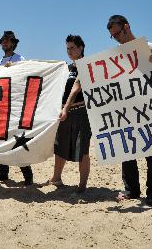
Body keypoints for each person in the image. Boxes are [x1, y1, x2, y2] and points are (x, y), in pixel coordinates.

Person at [61, 15, 152, 205]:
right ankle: (132, 190)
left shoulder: (149, 48)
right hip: (124, 108)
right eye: (112, 35)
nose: (116, 37)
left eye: (117, 33)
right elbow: (93, 82)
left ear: (127, 26)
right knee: (127, 149)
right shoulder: (115, 55)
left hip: (147, 106)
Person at [0, 31, 34, 186]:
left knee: (17, 141)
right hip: (1, 105)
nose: (4, 43)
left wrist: (12, 68)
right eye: (2, 41)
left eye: (6, 41)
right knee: (1, 141)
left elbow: (25, 75)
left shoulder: (20, 59)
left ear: (13, 42)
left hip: (14, 105)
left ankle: (28, 176)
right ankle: (2, 172)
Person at [48, 35, 91, 195]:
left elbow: (76, 88)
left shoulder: (86, 65)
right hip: (65, 112)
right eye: (67, 48)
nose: (69, 51)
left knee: (82, 149)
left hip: (82, 112)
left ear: (81, 48)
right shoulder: (67, 68)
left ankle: (82, 186)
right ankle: (56, 178)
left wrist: (65, 109)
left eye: (72, 48)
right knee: (60, 146)